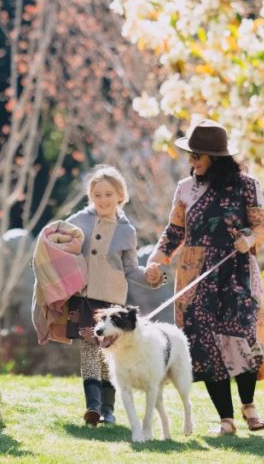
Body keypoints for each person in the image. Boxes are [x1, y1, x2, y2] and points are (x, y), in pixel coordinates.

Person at [143, 119, 264, 436]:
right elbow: (174, 232)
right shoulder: (185, 189)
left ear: (216, 158)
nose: (192, 161)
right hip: (194, 275)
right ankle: (225, 418)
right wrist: (156, 261)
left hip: (235, 271)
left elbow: (262, 226)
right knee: (204, 343)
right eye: (191, 155)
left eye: (197, 155)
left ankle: (249, 406)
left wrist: (249, 240)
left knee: (241, 335)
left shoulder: (246, 185)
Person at [54, 165, 158, 426]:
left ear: (120, 196)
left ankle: (108, 409)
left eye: (109, 194)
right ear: (91, 196)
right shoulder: (77, 221)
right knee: (89, 351)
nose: (103, 200)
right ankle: (93, 407)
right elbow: (57, 245)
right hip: (83, 297)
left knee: (109, 353)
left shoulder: (127, 231)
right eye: (97, 194)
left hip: (112, 302)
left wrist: (152, 277)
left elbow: (131, 269)